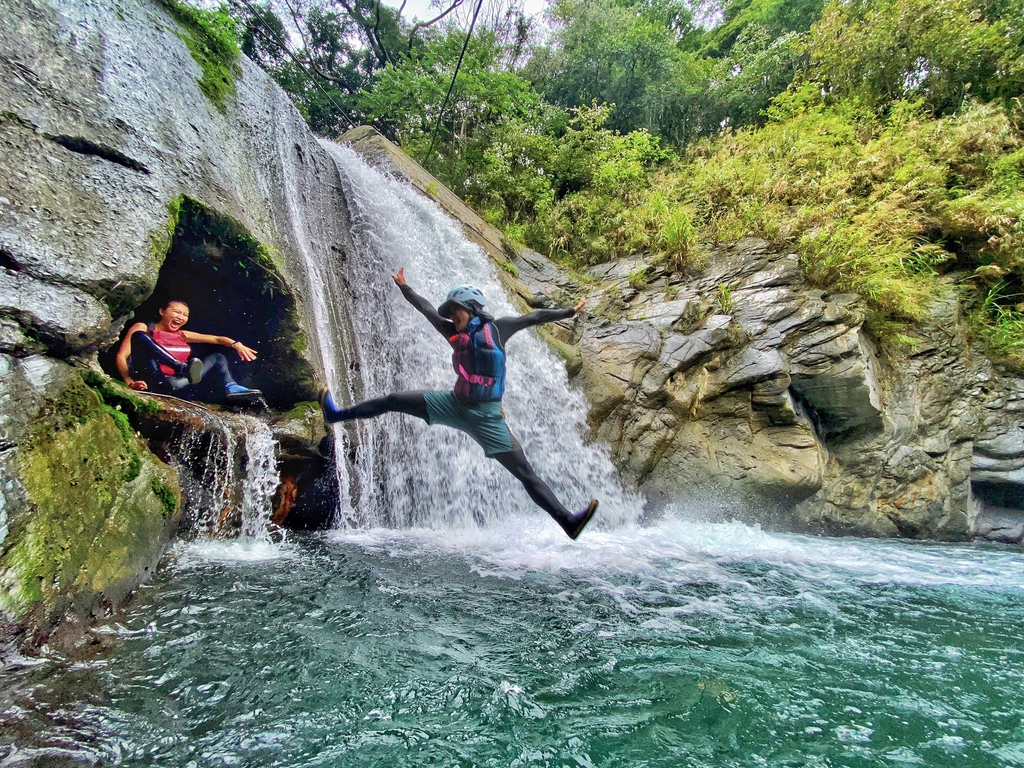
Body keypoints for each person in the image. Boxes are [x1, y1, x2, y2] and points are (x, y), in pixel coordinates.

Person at [319, 268, 599, 540]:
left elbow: (534, 317)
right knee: (393, 400)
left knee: (525, 472)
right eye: (451, 313)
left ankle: (568, 522)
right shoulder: (452, 332)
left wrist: (569, 312)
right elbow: (427, 309)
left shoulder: (499, 329)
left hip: (487, 416)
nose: (452, 316)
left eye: (457, 311)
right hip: (452, 404)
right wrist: (405, 288)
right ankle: (336, 414)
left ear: (472, 308)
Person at [115, 298, 261, 402]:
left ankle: (231, 387)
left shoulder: (183, 335)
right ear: (162, 311)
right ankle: (182, 367)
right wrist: (129, 382)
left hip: (176, 382)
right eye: (177, 312)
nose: (181, 317)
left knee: (217, 357)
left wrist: (237, 344)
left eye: (185, 315)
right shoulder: (144, 328)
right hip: (151, 378)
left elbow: (217, 339)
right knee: (139, 337)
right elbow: (122, 356)